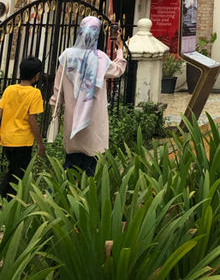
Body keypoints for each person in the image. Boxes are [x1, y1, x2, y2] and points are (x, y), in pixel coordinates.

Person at [50, 15, 126, 176]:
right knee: (91, 168)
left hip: (72, 119)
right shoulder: (99, 59)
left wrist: (55, 113)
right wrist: (119, 47)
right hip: (93, 121)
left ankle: (59, 197)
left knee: (70, 167)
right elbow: (118, 69)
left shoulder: (67, 56)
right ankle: (85, 199)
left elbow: (57, 90)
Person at [0, 55, 46, 198]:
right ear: (37, 75)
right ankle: (8, 200)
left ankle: (6, 199)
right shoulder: (35, 93)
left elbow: (0, 112)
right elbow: (32, 119)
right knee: (18, 174)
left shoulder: (9, 89)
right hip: (22, 141)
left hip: (7, 139)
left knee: (13, 169)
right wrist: (40, 143)